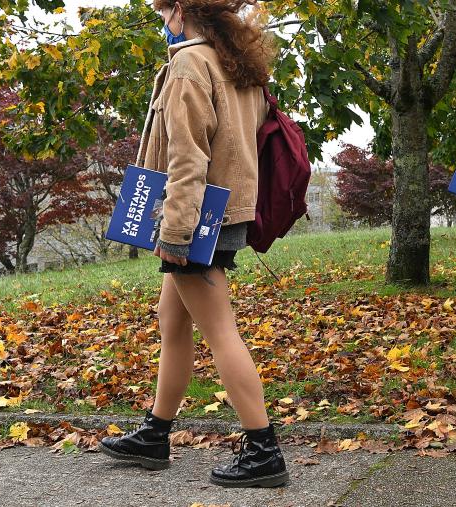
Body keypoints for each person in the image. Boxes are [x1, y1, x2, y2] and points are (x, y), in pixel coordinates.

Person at [98, 0, 289, 489]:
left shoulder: (189, 63)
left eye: (163, 12)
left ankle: (263, 448)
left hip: (197, 216)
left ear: (181, 9)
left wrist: (176, 233)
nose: (163, 22)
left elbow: (188, 158)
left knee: (219, 329)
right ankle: (155, 434)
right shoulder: (236, 59)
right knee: (172, 321)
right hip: (226, 209)